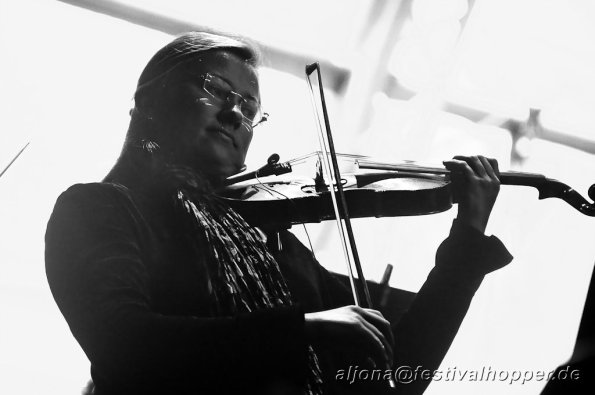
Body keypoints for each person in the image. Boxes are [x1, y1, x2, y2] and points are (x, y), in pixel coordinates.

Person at [45, 31, 513, 395]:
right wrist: (303, 331)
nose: (235, 114)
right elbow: (123, 343)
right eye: (217, 89)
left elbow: (400, 367)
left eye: (249, 108)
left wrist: (467, 239)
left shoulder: (266, 244)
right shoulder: (98, 209)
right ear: (152, 98)